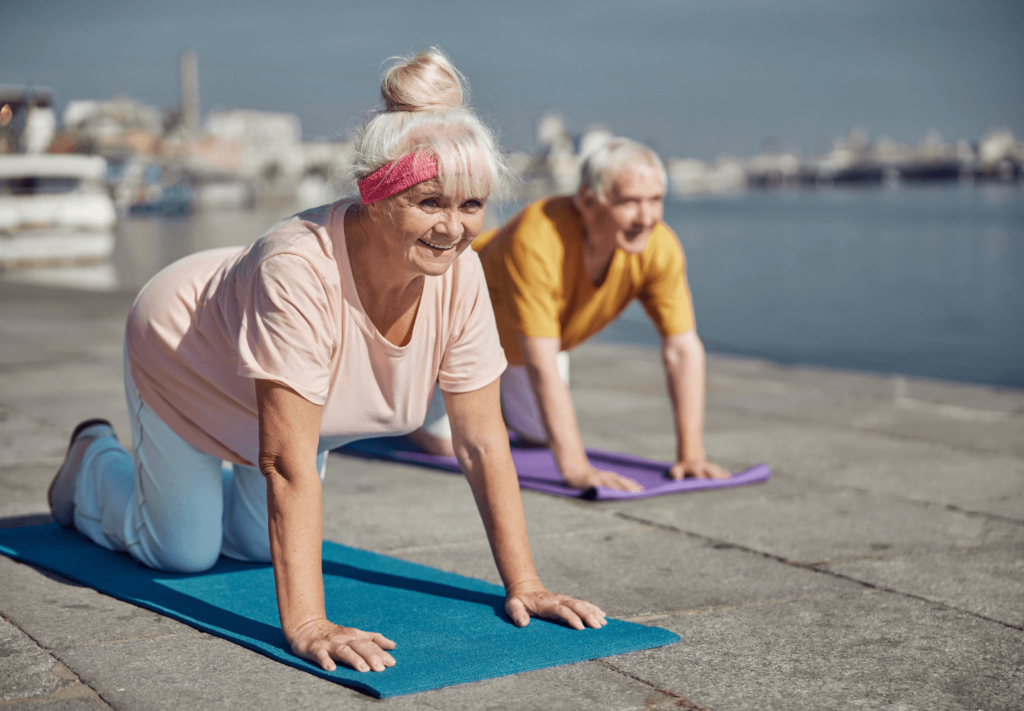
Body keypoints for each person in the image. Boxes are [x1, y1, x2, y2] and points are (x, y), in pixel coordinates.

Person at [47, 49, 607, 675]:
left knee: (259, 546)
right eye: (430, 203)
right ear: (374, 196)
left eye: (471, 205)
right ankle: (93, 463)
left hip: (280, 395)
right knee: (183, 551)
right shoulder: (297, 269)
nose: (453, 229)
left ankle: (201, 487)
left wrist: (524, 583)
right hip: (187, 351)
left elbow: (480, 440)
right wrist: (308, 623)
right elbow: (287, 463)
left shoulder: (462, 272)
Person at [414, 137, 731, 492]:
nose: (646, 217)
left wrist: (691, 456)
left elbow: (682, 349)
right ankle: (409, 400)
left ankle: (489, 402)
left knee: (538, 436)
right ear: (588, 201)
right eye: (630, 202)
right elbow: (542, 362)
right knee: (451, 447)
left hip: (517, 350)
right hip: (451, 340)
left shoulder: (659, 246)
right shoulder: (540, 236)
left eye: (655, 200)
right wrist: (576, 469)